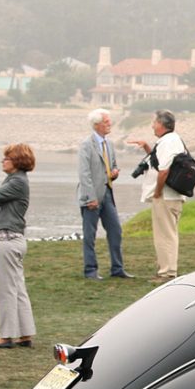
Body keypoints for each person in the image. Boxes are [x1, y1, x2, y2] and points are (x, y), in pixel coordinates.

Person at [129, 110, 190, 283]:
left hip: (166, 197)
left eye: (154, 122)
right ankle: (166, 269)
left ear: (162, 124)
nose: (152, 126)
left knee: (165, 236)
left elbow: (163, 171)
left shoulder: (168, 142)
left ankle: (167, 273)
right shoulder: (171, 140)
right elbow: (159, 163)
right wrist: (147, 148)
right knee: (167, 234)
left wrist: (157, 192)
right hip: (171, 196)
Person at [0, 144, 36, 348]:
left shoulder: (17, 182)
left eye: (7, 158)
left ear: (17, 161)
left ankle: (6, 336)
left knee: (6, 289)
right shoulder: (17, 180)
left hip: (6, 239)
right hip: (13, 239)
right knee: (17, 287)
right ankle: (25, 334)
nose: (3, 161)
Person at [77, 109, 132, 280]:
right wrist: (91, 197)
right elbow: (84, 174)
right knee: (90, 235)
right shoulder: (86, 145)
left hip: (107, 194)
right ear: (96, 125)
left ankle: (117, 268)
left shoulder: (109, 144)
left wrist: (114, 173)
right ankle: (90, 270)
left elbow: (112, 165)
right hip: (92, 196)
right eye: (106, 122)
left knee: (115, 230)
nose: (110, 124)